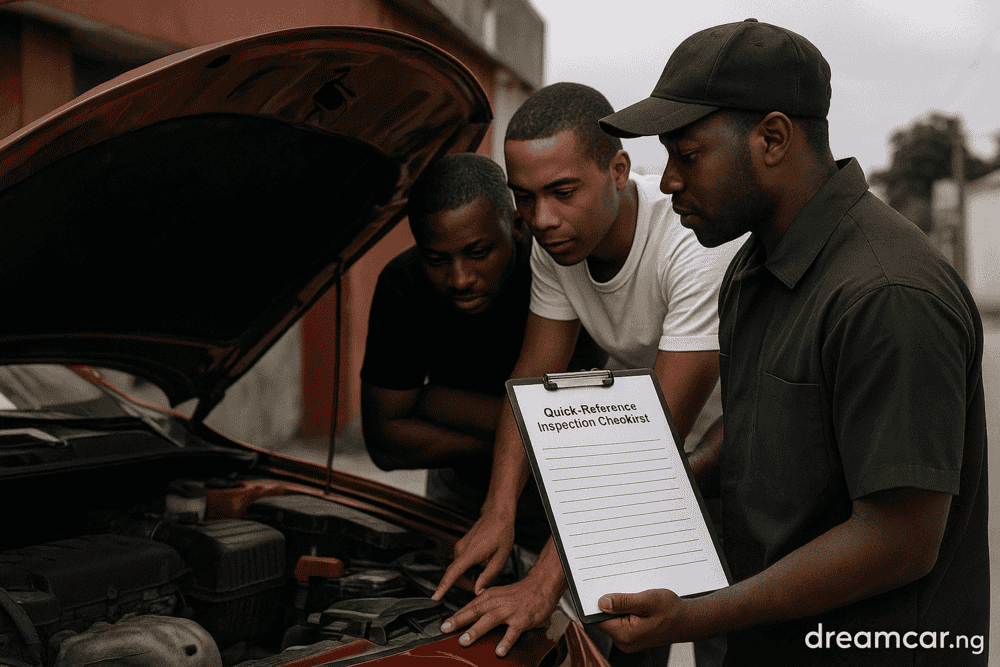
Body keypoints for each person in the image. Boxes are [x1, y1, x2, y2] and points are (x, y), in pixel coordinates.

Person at [587, 19, 989, 666]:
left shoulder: (888, 295)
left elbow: (899, 537)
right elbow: (759, 427)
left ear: (772, 137)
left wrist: (693, 615)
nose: (666, 182)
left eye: (687, 155)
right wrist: (677, 479)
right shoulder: (752, 268)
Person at [432, 82, 741, 660]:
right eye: (524, 197)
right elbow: (530, 381)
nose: (541, 219)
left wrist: (546, 582)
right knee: (622, 640)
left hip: (727, 465)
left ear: (619, 170)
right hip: (633, 459)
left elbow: (656, 438)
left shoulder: (690, 247)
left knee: (721, 644)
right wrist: (496, 512)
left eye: (562, 191)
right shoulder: (558, 245)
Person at [360, 151, 602, 552]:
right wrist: (517, 438)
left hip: (565, 491)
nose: (459, 279)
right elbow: (385, 442)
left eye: (478, 253)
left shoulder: (561, 270)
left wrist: (429, 402)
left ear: (517, 226)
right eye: (436, 259)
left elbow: (571, 426)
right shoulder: (402, 285)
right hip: (458, 491)